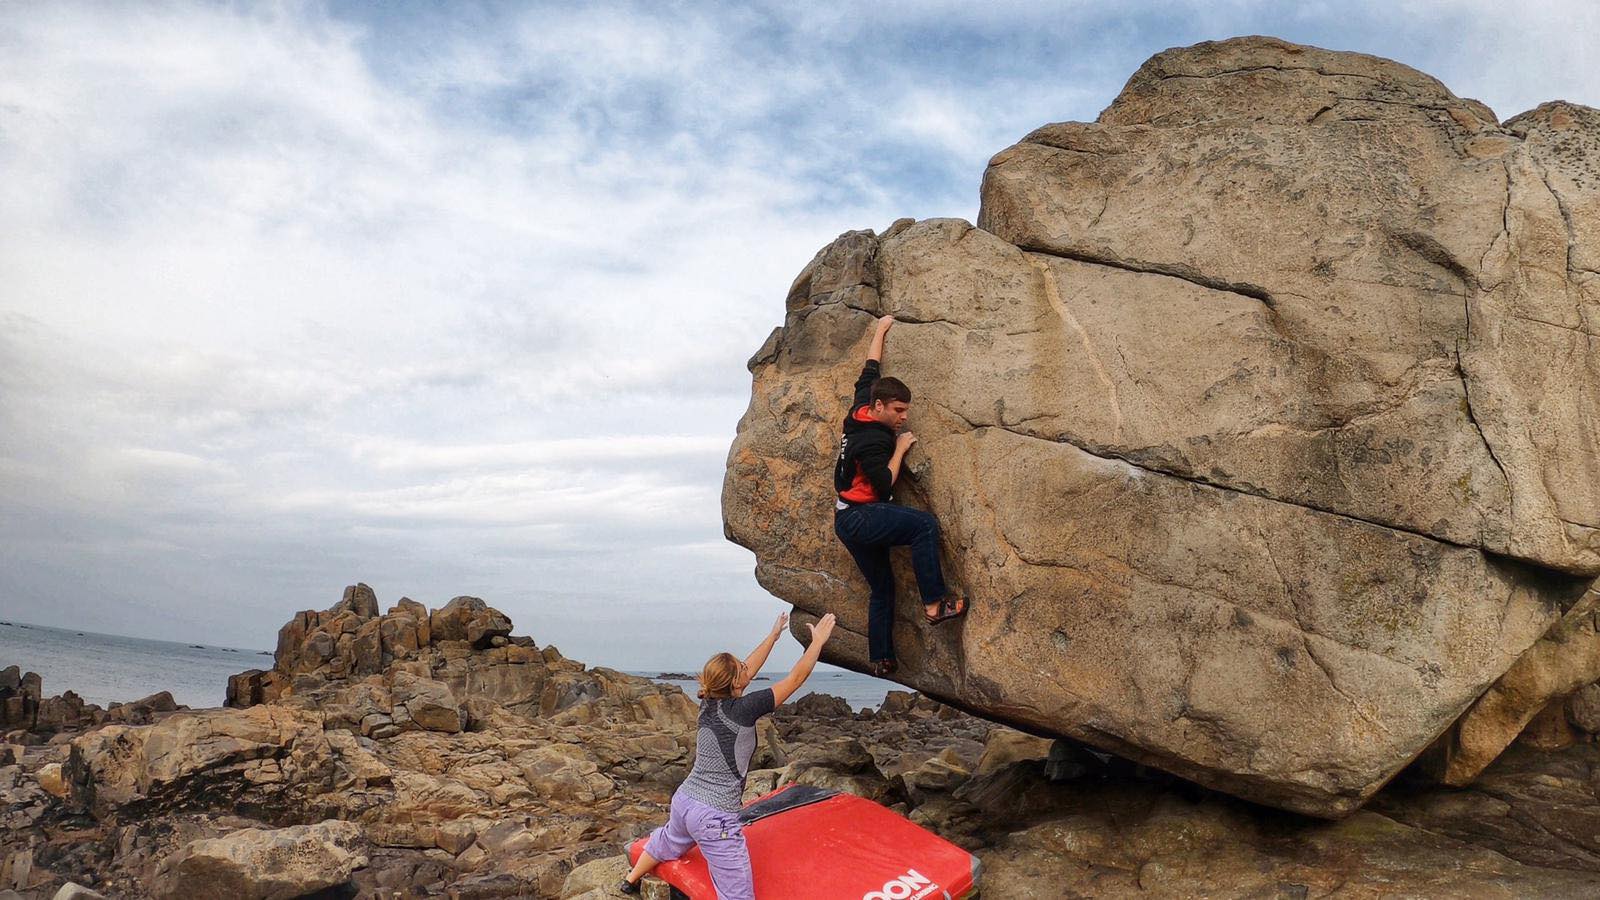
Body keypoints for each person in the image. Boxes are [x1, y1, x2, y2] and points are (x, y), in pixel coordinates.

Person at [618, 610, 838, 898]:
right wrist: (817, 643)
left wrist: (774, 636)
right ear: (736, 684)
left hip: (685, 801)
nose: (748, 669)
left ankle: (631, 879)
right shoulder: (744, 709)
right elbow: (795, 679)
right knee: (737, 893)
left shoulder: (708, 700)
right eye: (742, 670)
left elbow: (747, 669)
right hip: (714, 817)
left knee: (669, 841)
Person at [833, 315, 967, 677]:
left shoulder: (860, 407)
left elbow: (870, 367)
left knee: (882, 587)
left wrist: (880, 329)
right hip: (862, 516)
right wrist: (901, 448)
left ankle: (881, 657)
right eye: (898, 411)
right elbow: (884, 485)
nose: (904, 418)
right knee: (923, 526)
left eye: (906, 411)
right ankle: (935, 603)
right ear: (880, 408)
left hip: (846, 517)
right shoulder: (876, 439)